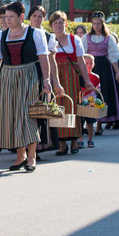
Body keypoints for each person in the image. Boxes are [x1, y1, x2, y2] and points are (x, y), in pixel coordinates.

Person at [0, 1, 51, 173]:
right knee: (12, 115)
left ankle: (31, 156)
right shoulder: (0, 36)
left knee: (28, 115)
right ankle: (20, 155)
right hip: (8, 77)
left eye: (10, 17)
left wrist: (46, 80)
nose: (7, 20)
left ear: (21, 17)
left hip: (30, 76)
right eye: (5, 17)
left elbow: (44, 59)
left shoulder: (35, 34)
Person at [49, 11, 94, 156]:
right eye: (55, 23)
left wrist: (87, 81)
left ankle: (75, 141)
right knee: (58, 108)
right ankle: (62, 144)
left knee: (73, 108)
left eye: (61, 22)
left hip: (71, 77)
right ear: (51, 26)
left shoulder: (75, 39)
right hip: (56, 77)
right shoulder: (50, 40)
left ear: (65, 24)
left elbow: (81, 61)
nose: (58, 25)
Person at [82, 11, 119, 135]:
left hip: (104, 68)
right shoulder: (86, 38)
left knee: (102, 94)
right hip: (91, 66)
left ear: (102, 24)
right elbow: (82, 54)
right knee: (90, 94)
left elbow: (113, 56)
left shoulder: (108, 38)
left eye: (98, 23)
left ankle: (99, 124)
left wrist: (117, 73)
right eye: (94, 23)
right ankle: (90, 123)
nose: (96, 26)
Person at [28, 5, 61, 153]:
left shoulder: (49, 36)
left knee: (41, 109)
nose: (37, 19)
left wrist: (56, 82)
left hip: (42, 75)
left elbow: (52, 61)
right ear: (29, 17)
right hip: (26, 74)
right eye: (34, 16)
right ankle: (24, 144)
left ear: (44, 18)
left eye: (40, 16)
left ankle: (38, 146)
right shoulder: (23, 33)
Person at [79, 54, 101, 148]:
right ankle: (80, 140)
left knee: (90, 121)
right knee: (79, 122)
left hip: (91, 101)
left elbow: (98, 89)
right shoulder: (79, 76)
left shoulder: (96, 77)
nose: (88, 65)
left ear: (94, 64)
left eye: (90, 63)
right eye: (86, 63)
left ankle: (90, 139)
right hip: (81, 101)